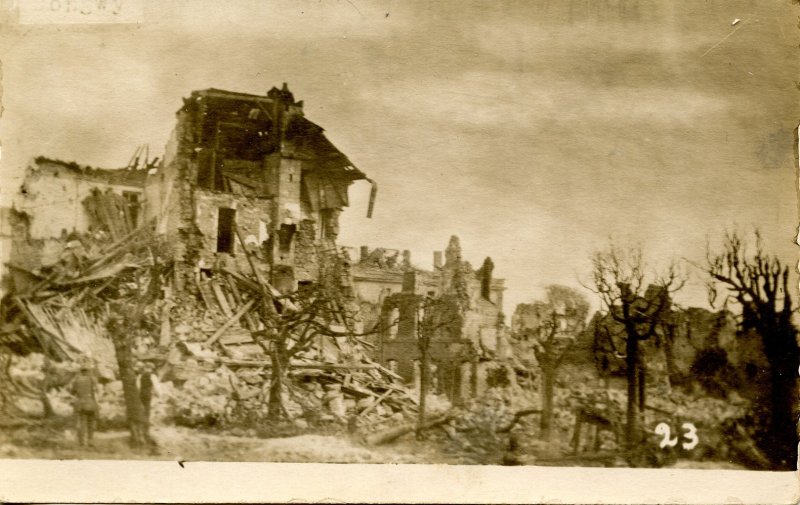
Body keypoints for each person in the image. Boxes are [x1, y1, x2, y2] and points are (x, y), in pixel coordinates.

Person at [71, 363, 98, 447]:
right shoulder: (93, 379)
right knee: (91, 423)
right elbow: (96, 391)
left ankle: (81, 442)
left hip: (80, 404)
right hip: (91, 403)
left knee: (81, 423)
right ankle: (91, 441)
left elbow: (72, 392)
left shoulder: (76, 380)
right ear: (88, 371)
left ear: (81, 371)